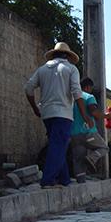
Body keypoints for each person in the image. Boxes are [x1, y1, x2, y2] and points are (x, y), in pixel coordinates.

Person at [25, 42, 92, 188]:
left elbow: (28, 88)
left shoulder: (42, 69)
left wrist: (35, 108)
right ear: (67, 56)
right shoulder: (70, 69)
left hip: (46, 113)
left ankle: (64, 179)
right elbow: (76, 92)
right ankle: (48, 180)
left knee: (58, 145)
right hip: (63, 114)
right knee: (58, 146)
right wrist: (85, 115)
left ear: (53, 54)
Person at [70, 77, 110, 183]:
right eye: (91, 88)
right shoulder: (88, 96)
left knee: (78, 159)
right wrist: (107, 116)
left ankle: (81, 182)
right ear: (87, 87)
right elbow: (94, 112)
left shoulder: (72, 98)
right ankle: (91, 158)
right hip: (88, 133)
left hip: (74, 134)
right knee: (104, 148)